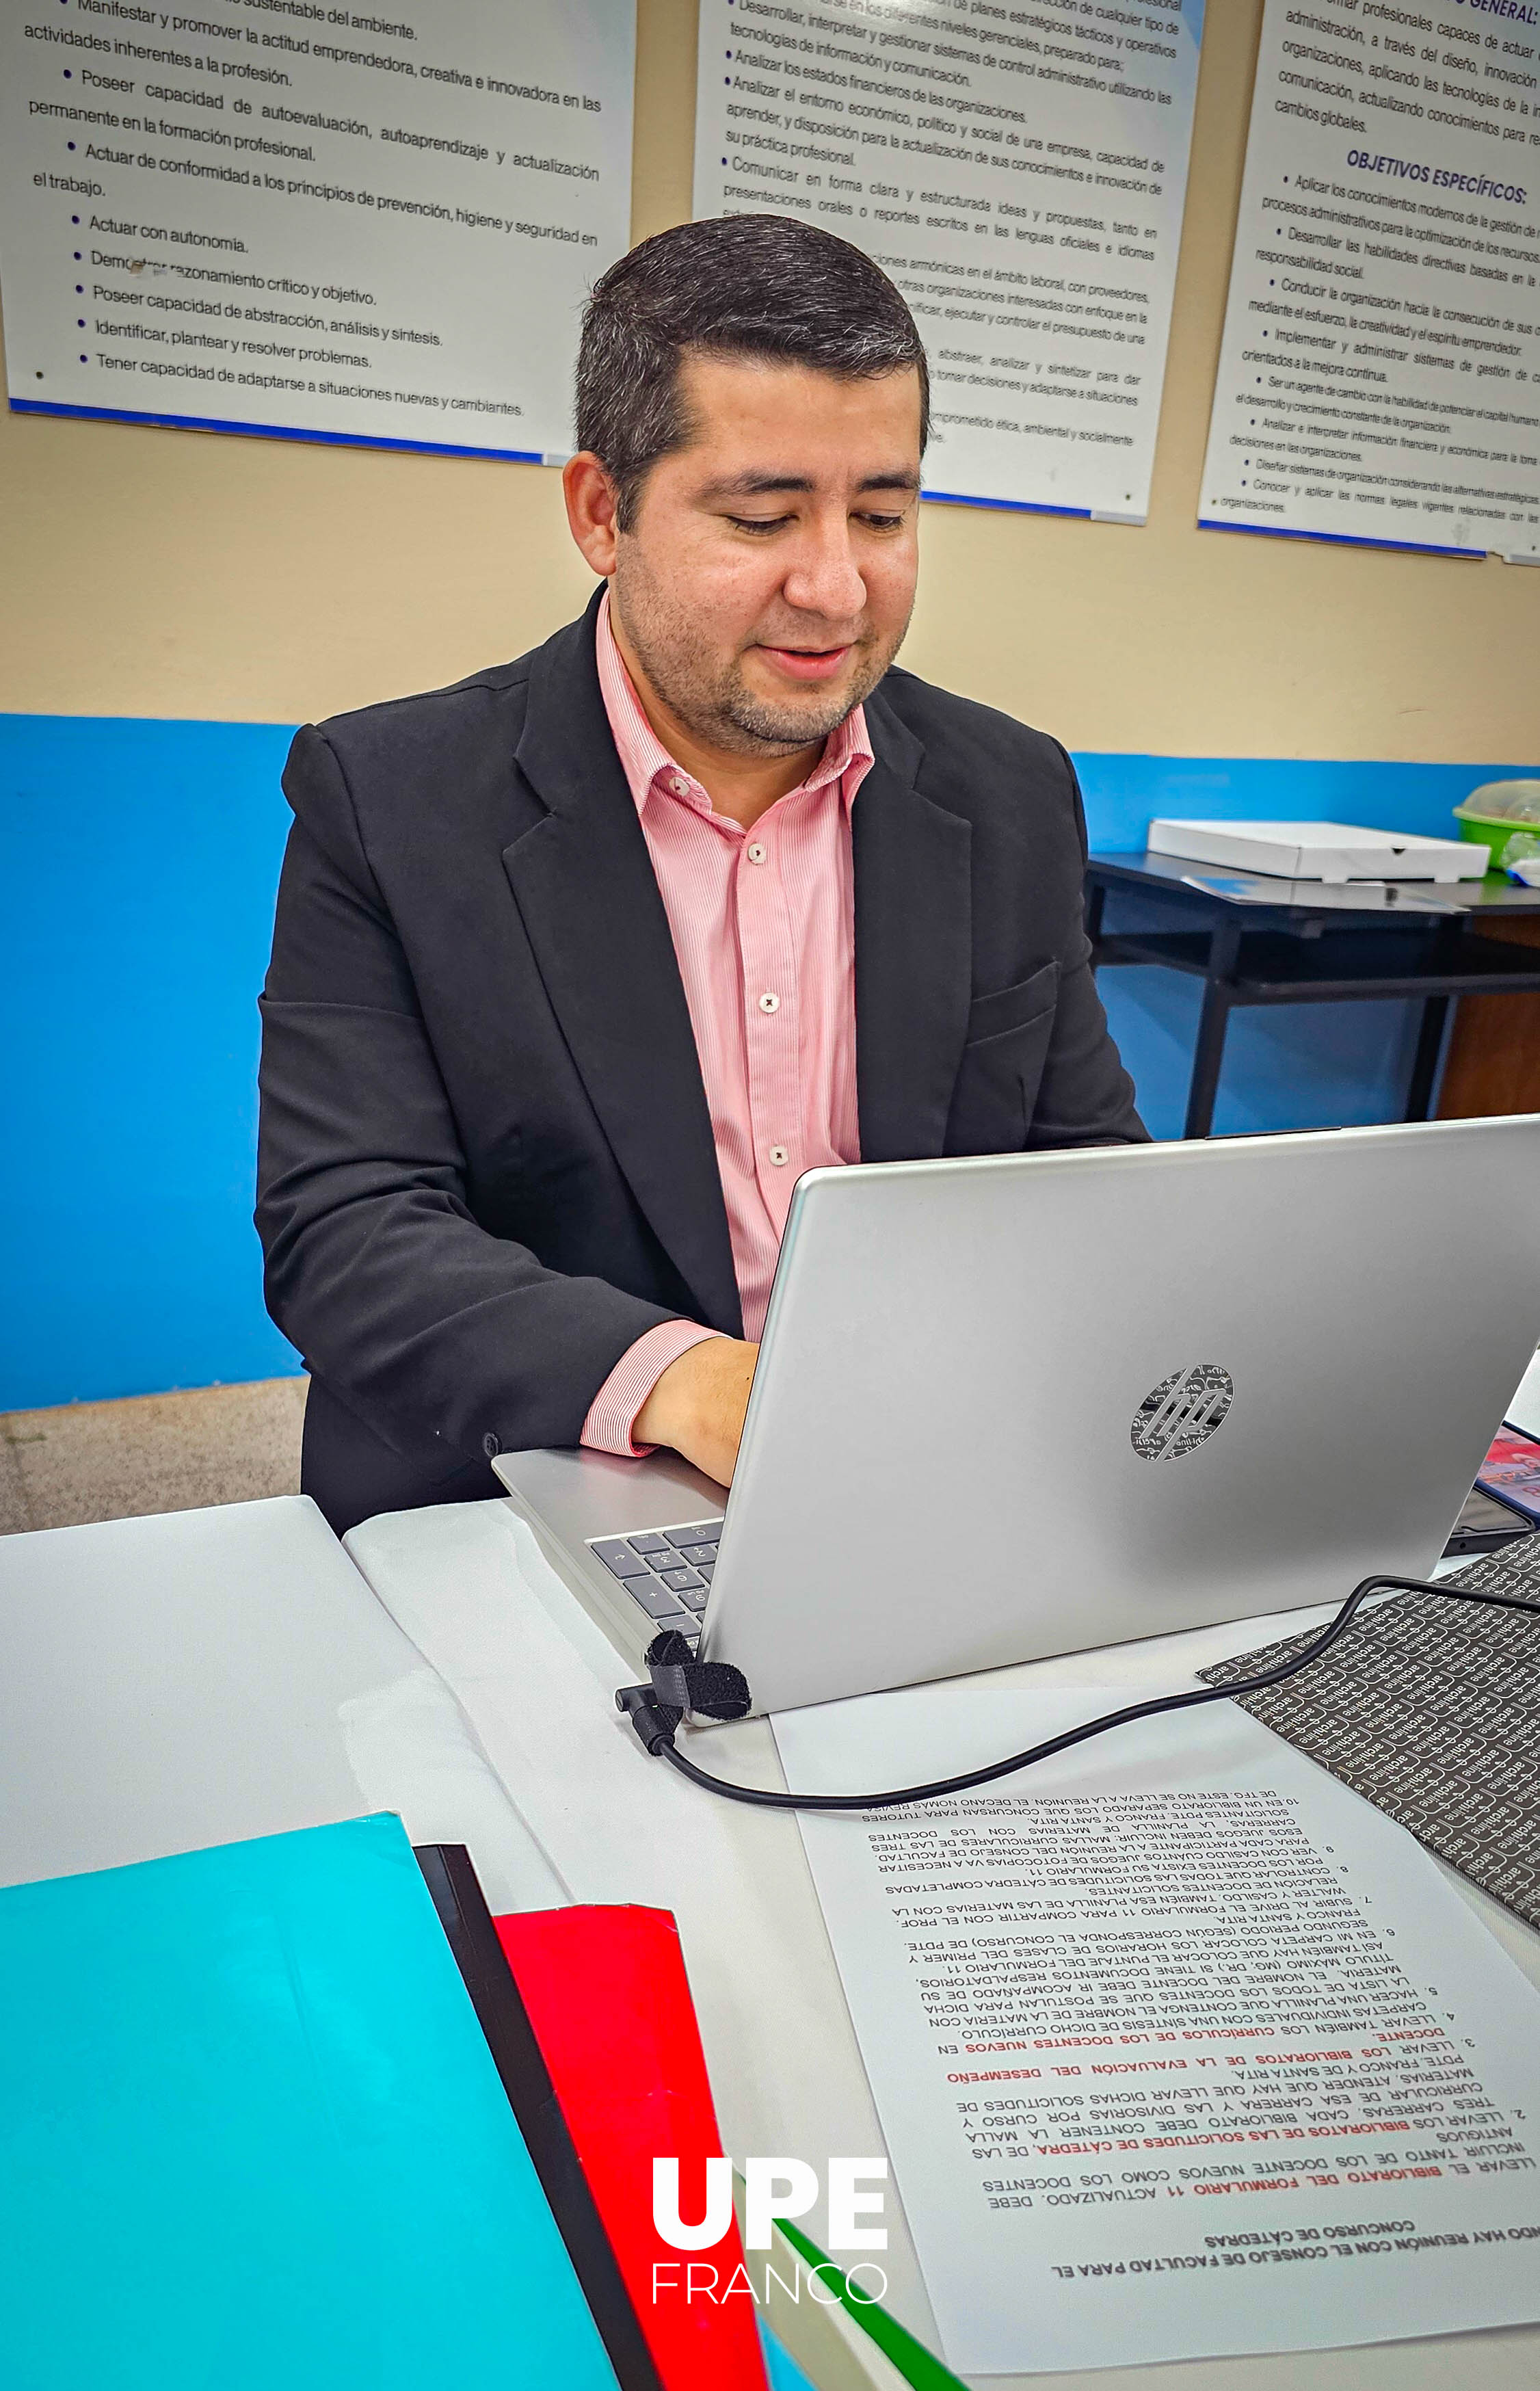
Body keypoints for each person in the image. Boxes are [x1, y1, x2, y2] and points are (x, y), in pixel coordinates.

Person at [256, 213, 1145, 1536]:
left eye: (884, 514)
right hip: (526, 1482)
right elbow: (349, 1227)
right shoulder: (391, 796)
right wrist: (689, 1383)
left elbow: (1082, 1177)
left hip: (917, 1471)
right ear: (602, 513)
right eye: (765, 515)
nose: (837, 587)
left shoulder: (1009, 792)